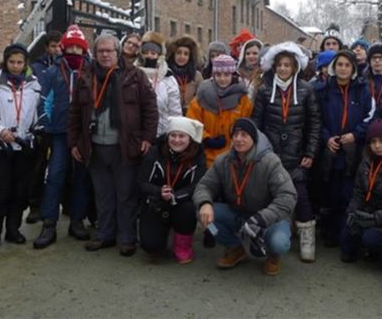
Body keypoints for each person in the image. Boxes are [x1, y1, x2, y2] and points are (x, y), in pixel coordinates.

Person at [67, 34, 159, 256]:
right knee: (103, 195)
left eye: (109, 51)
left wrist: (147, 138)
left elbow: (150, 109)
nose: (105, 55)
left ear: (118, 53)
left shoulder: (135, 76)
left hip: (125, 147)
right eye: (101, 51)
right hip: (95, 146)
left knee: (126, 195)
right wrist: (73, 142)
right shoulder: (86, 77)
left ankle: (127, 238)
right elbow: (75, 113)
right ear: (95, 53)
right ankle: (105, 234)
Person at [194, 118, 297, 275]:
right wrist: (205, 203)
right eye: (235, 134)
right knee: (204, 217)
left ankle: (273, 255)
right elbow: (204, 186)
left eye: (244, 135)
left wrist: (261, 219)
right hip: (238, 214)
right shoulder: (223, 160)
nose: (238, 139)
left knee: (279, 242)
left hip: (268, 219)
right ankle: (236, 247)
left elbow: (288, 196)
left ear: (254, 139)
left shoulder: (270, 162)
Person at [252, 42, 322, 262]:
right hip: (270, 153)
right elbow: (257, 122)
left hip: (297, 152)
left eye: (287, 65)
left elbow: (314, 123)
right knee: (267, 193)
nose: (283, 69)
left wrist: (310, 152)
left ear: (295, 68)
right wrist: (258, 151)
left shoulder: (306, 90)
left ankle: (306, 235)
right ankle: (266, 232)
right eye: (280, 65)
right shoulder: (264, 90)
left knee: (300, 194)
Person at [33, 25, 95, 248]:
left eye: (79, 48)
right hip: (59, 133)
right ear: (63, 47)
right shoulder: (52, 72)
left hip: (82, 134)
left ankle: (76, 220)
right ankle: (49, 223)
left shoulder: (90, 71)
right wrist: (47, 125)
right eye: (71, 47)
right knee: (55, 176)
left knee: (80, 176)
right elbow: (43, 100)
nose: (75, 51)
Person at [0, 43, 43, 248]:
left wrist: (33, 133)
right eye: (12, 62)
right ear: (5, 62)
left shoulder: (34, 84)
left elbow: (39, 112)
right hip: (2, 147)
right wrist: (0, 131)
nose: (16, 66)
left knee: (20, 190)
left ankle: (13, 229)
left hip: (24, 147)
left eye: (20, 62)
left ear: (25, 63)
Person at [316, 50, 375, 246]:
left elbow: (370, 116)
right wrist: (326, 138)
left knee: (347, 192)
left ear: (353, 69)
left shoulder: (362, 90)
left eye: (347, 65)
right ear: (334, 67)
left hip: (352, 150)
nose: (343, 69)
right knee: (330, 191)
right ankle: (329, 231)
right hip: (331, 149)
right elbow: (316, 119)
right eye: (339, 64)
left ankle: (344, 232)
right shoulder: (323, 91)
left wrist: (355, 134)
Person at [138, 116, 206, 264]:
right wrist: (158, 191)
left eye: (182, 136)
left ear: (190, 138)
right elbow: (142, 182)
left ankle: (182, 245)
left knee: (188, 209)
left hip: (182, 203)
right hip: (157, 201)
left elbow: (198, 185)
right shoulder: (155, 152)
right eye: (173, 135)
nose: (176, 140)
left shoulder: (198, 156)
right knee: (151, 246)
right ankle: (163, 236)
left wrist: (176, 196)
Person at [340, 119, 382, 263]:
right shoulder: (365, 163)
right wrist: (352, 212)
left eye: (381, 141)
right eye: (373, 141)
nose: (377, 146)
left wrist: (375, 219)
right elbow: (358, 192)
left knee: (370, 238)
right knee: (346, 232)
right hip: (365, 212)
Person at [187, 55, 254, 168]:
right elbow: (192, 122)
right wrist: (206, 139)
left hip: (234, 156)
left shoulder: (243, 99)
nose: (222, 79)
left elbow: (248, 124)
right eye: (218, 75)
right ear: (213, 75)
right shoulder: (202, 96)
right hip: (205, 156)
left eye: (226, 75)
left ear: (232, 75)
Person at [26, 29, 63, 224]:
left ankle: (65, 202)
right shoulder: (37, 67)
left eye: (59, 45)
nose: (57, 49)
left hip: (61, 122)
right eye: (53, 46)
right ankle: (35, 205)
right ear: (47, 47)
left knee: (62, 167)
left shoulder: (67, 66)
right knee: (38, 166)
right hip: (42, 123)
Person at [137, 31, 182, 136]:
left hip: (162, 133)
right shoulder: (133, 74)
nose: (149, 56)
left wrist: (174, 133)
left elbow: (174, 110)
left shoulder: (168, 78)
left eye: (153, 53)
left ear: (159, 55)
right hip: (138, 134)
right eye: (146, 52)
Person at [166, 35, 203, 114]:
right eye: (179, 53)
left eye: (186, 54)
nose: (182, 56)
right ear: (173, 54)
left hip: (191, 116)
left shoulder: (197, 76)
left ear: (190, 56)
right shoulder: (166, 74)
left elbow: (201, 98)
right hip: (170, 115)